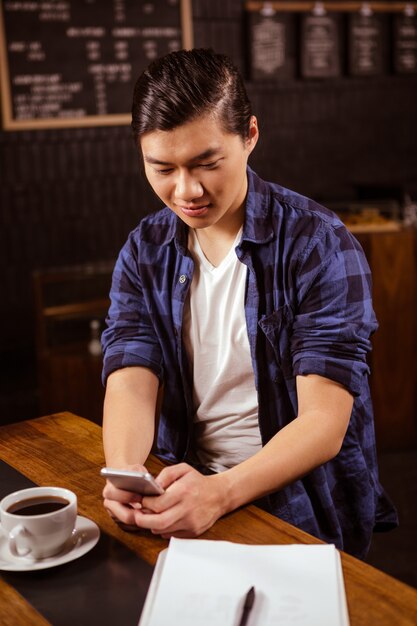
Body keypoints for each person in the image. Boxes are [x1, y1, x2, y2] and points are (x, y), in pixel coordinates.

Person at [101, 48, 397, 559]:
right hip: (185, 479)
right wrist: (127, 472)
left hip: (297, 493)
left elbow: (325, 423)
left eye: (207, 163)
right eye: (162, 168)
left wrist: (220, 493)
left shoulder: (318, 244)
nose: (186, 190)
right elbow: (130, 368)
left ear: (251, 136)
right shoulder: (144, 249)